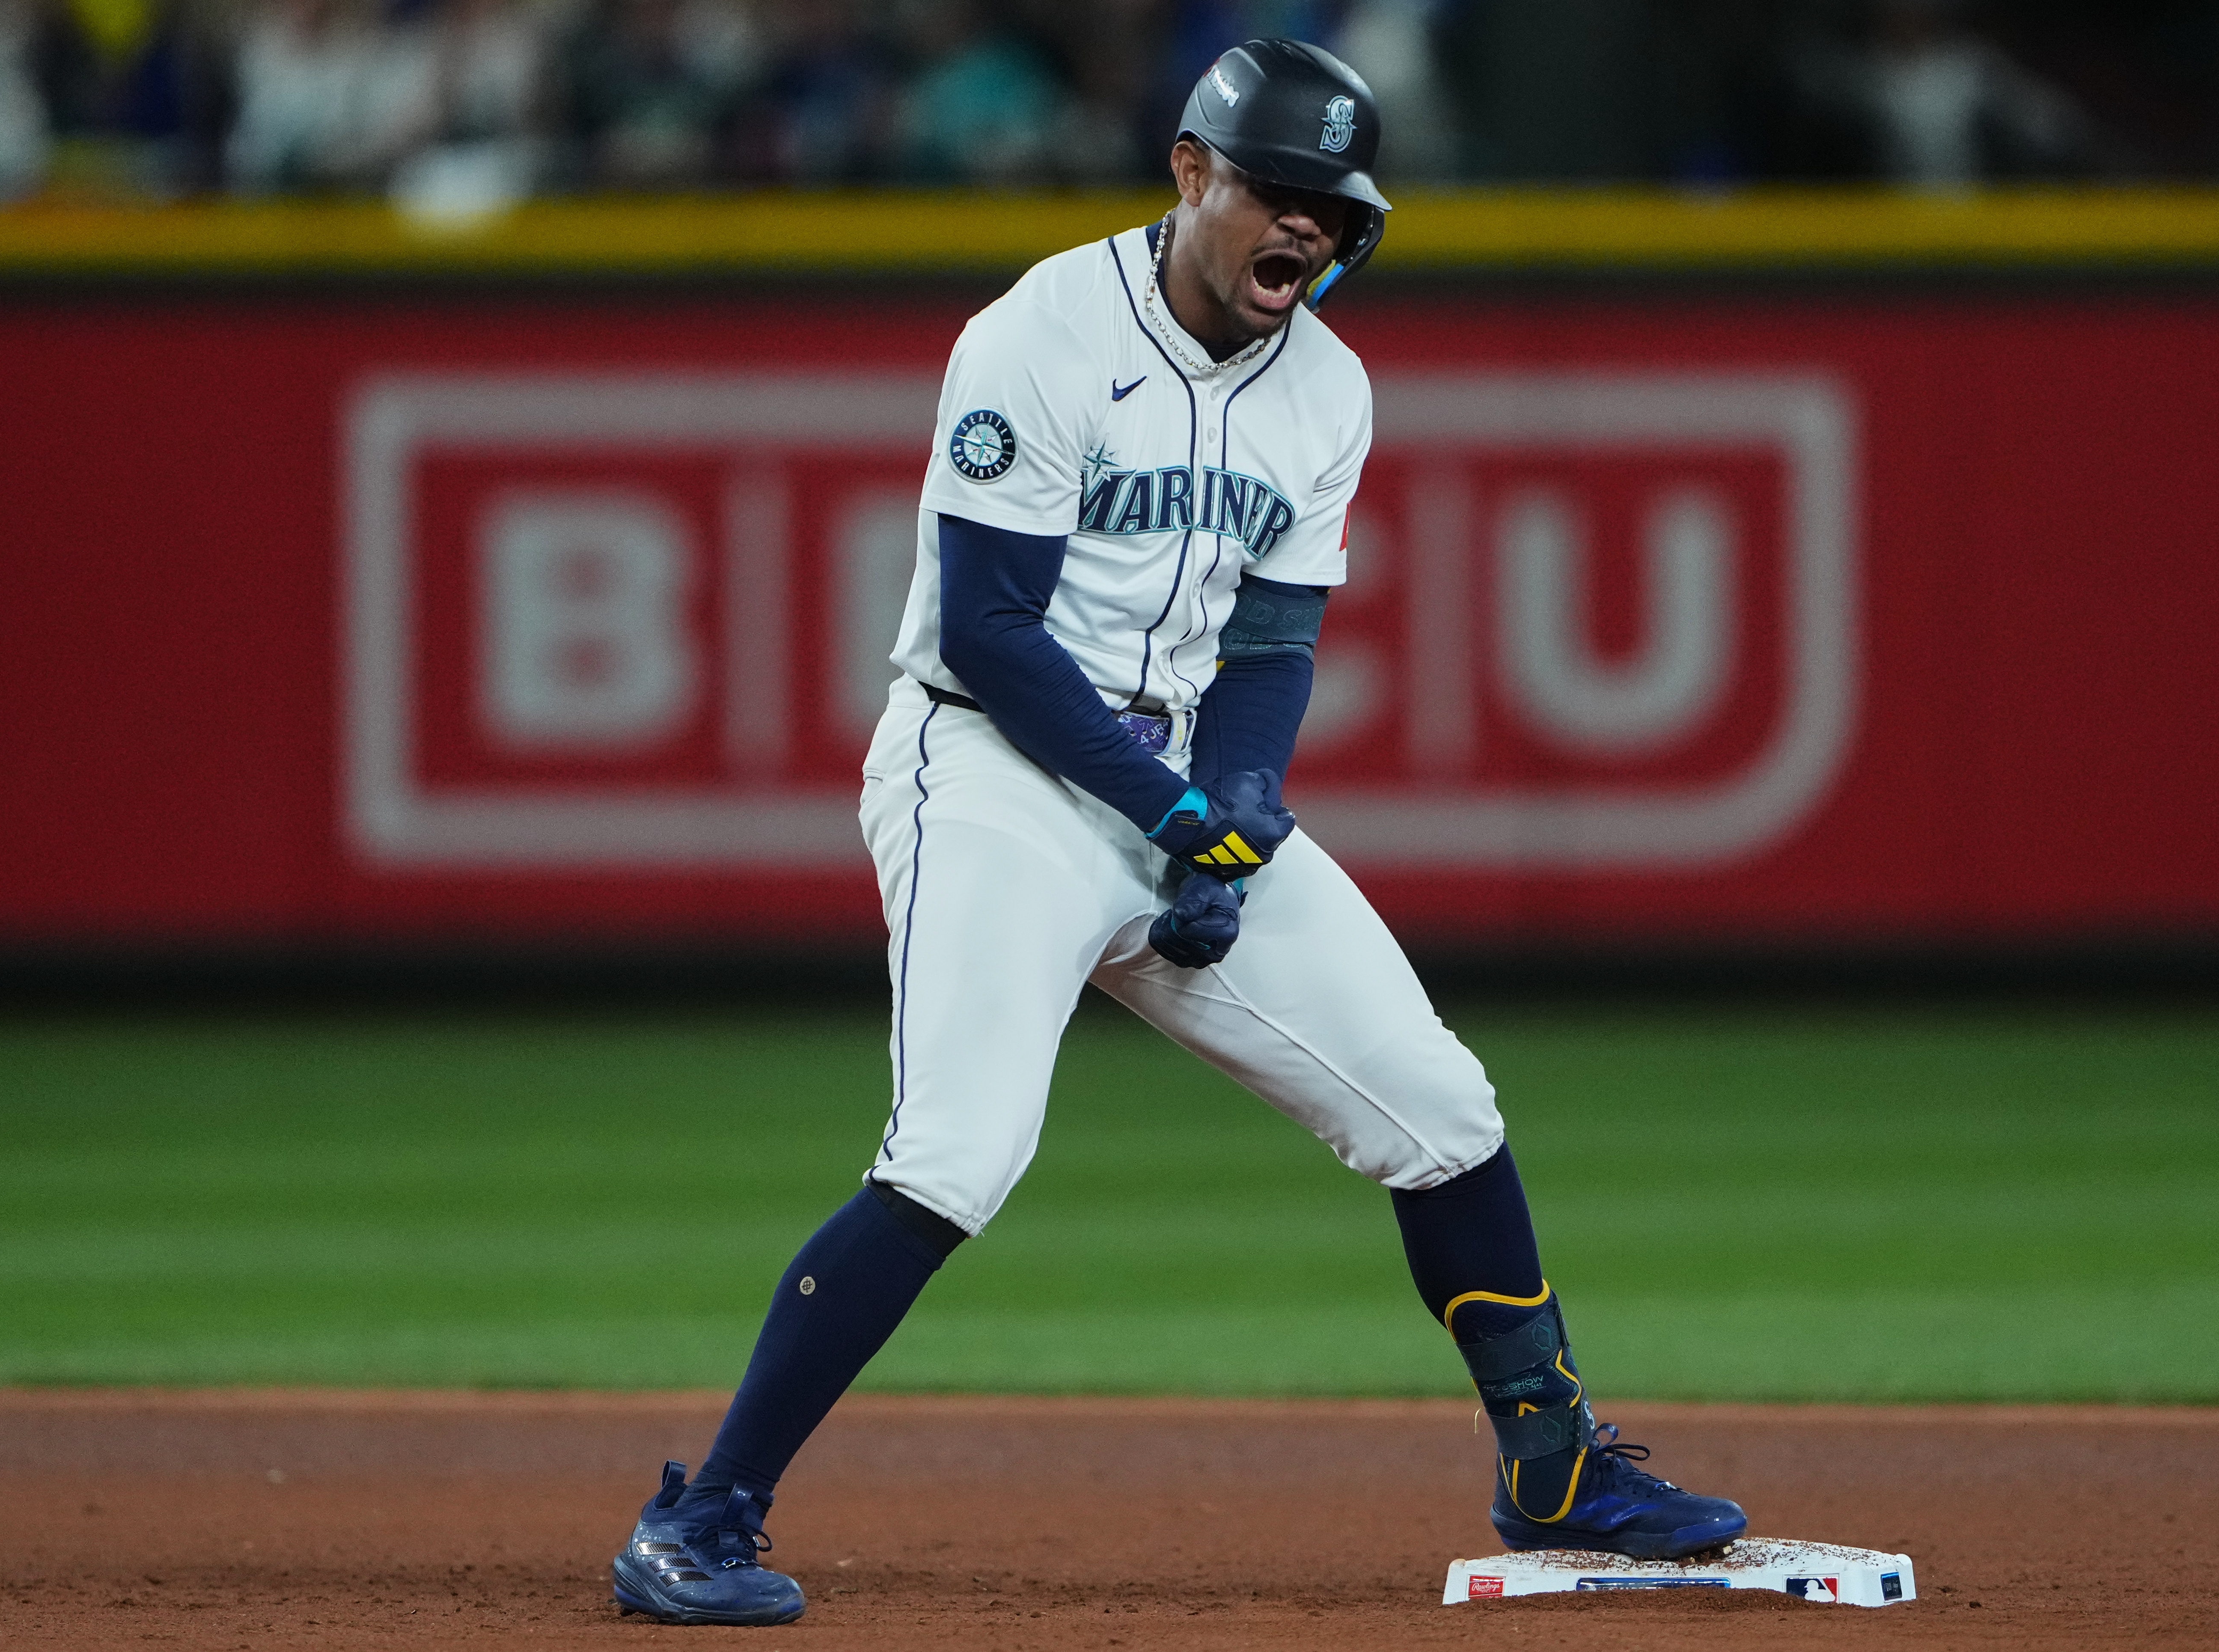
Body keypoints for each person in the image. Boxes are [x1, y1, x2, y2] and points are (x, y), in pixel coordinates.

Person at [610, 38, 1747, 1628]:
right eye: (1278, 193)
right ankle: (700, 1517)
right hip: (991, 771)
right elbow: (998, 632)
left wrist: (1246, 812)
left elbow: (1272, 642)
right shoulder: (1043, 332)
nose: (1308, 232)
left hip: (1174, 787)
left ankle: (1556, 1472)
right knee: (956, 1154)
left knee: (1437, 1103)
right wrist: (1178, 817)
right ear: (1191, 174)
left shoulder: (1331, 387)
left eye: (1337, 209)